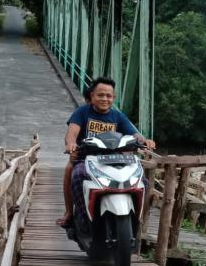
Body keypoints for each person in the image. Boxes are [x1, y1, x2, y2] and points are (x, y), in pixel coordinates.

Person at [57, 76, 155, 227]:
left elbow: (134, 133)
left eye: (109, 96)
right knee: (75, 175)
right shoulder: (82, 112)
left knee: (143, 182)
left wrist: (144, 140)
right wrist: (70, 144)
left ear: (113, 98)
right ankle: (75, 215)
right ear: (92, 96)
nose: (105, 99)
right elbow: (72, 133)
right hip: (87, 158)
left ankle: (134, 219)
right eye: (100, 95)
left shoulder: (117, 116)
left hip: (114, 159)